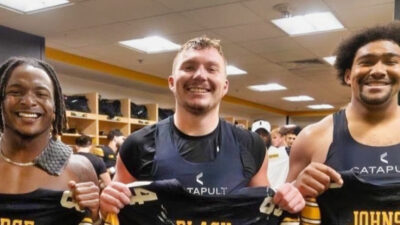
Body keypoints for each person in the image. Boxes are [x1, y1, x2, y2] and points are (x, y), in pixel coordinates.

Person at [100, 36, 304, 220]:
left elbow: (262, 212)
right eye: (189, 67)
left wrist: (287, 199)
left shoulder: (250, 145)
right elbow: (113, 213)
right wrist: (105, 205)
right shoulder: (138, 145)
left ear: (225, 86)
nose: (199, 75)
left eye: (211, 68)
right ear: (172, 82)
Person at [287, 22, 400, 224]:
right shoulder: (312, 138)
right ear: (348, 75)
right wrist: (296, 189)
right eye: (367, 62)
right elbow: (284, 212)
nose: (378, 70)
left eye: (391, 62)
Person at [0, 57, 100, 224]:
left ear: (55, 108)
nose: (28, 101)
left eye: (41, 94)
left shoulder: (79, 169)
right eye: (15, 92)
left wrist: (96, 215)